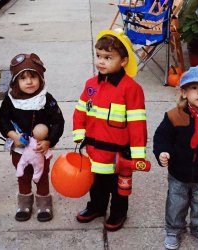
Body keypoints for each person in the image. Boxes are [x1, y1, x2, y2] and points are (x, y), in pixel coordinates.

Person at [72, 29, 147, 232]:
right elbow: (80, 111)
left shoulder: (131, 89)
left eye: (108, 57)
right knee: (96, 181)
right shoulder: (91, 86)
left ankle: (118, 212)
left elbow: (137, 123)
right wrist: (79, 133)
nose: (101, 62)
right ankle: (96, 206)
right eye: (98, 56)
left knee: (118, 186)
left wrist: (137, 154)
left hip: (118, 152)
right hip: (94, 149)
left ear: (123, 61)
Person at [153, 66, 198, 250]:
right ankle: (174, 229)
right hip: (179, 172)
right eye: (194, 88)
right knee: (176, 203)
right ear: (183, 93)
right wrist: (163, 152)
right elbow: (162, 138)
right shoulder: (175, 116)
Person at [0, 53, 64, 222]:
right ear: (15, 82)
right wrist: (13, 135)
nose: (29, 82)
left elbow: (57, 121)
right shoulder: (11, 100)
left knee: (41, 175)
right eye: (23, 78)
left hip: (40, 147)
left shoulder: (46, 99)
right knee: (23, 175)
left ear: (40, 78)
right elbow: (2, 119)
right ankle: (24, 203)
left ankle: (44, 203)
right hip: (19, 146)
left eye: (33, 77)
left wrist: (49, 141)